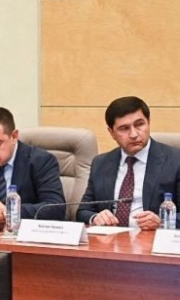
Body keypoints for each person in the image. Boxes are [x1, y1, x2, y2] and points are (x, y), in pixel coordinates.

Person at [77, 96, 180, 230]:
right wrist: (95, 217)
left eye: (139, 124)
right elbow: (83, 211)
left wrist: (161, 221)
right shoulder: (101, 163)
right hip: (110, 239)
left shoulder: (175, 160)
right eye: (124, 128)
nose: (134, 134)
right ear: (112, 133)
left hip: (154, 238)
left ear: (148, 122)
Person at [0, 106, 65, 222]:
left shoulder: (41, 161)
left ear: (14, 136)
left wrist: (8, 211)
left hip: (20, 231)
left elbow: (55, 208)